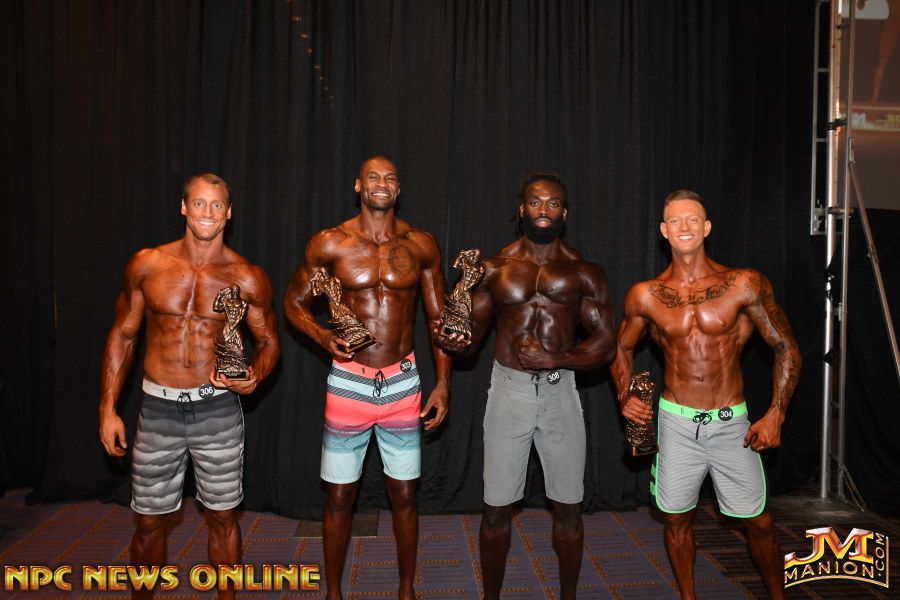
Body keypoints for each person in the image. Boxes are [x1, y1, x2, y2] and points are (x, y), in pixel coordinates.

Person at [610, 189, 801, 600]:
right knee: (676, 519)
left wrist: (776, 413)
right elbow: (621, 347)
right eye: (675, 221)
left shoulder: (743, 283)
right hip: (676, 423)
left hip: (732, 424)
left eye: (693, 219)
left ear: (707, 227)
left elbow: (785, 345)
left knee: (760, 522)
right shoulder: (645, 294)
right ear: (664, 231)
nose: (685, 227)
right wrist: (625, 394)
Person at [98, 173, 280, 600]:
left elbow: (269, 341)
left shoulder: (247, 276)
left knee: (223, 517)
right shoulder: (147, 264)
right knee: (148, 522)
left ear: (229, 213)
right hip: (158, 410)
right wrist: (107, 409)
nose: (207, 213)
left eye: (217, 205)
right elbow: (123, 335)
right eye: (199, 203)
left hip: (217, 409)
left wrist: (255, 374)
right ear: (183, 207)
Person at [435, 172, 616, 600]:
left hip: (560, 392)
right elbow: (472, 338)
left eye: (553, 203)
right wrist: (455, 341)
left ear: (564, 213)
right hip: (509, 392)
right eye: (535, 202)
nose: (543, 210)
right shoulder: (494, 268)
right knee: (496, 509)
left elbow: (606, 344)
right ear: (521, 208)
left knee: (569, 508)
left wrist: (557, 358)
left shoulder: (584, 271)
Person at [283, 155, 451, 600]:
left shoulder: (420, 244)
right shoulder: (331, 243)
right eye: (373, 177)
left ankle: (406, 589)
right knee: (339, 497)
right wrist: (323, 336)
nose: (381, 184)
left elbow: (439, 320)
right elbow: (293, 303)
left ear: (399, 188)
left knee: (405, 495)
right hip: (349, 381)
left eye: (390, 178)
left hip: (403, 382)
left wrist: (443, 383)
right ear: (358, 186)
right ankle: (334, 593)